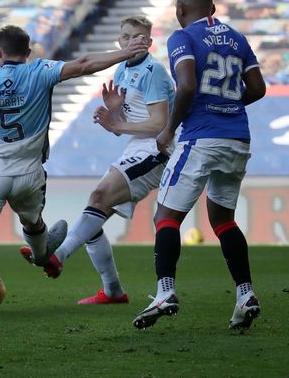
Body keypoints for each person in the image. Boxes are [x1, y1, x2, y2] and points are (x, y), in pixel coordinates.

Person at [0, 2, 148, 320]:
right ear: (28, 52)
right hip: (29, 174)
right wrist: (126, 53)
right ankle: (44, 254)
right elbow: (84, 64)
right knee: (33, 225)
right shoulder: (41, 71)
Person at [132, 0, 266, 330]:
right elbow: (258, 88)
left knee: (166, 216)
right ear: (213, 9)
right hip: (237, 137)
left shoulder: (183, 37)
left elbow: (188, 84)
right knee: (223, 219)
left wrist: (169, 129)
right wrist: (227, 106)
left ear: (180, 11)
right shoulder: (237, 38)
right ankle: (245, 293)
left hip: (200, 138)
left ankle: (165, 292)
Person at [20, 16, 175, 305]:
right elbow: (131, 122)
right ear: (119, 42)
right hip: (137, 148)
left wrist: (117, 125)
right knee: (94, 214)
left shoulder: (152, 71)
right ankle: (113, 290)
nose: (133, 42)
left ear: (150, 42)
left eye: (140, 37)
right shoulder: (121, 71)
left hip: (158, 150)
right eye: (127, 36)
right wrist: (114, 115)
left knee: (99, 196)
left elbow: (159, 124)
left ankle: (58, 256)